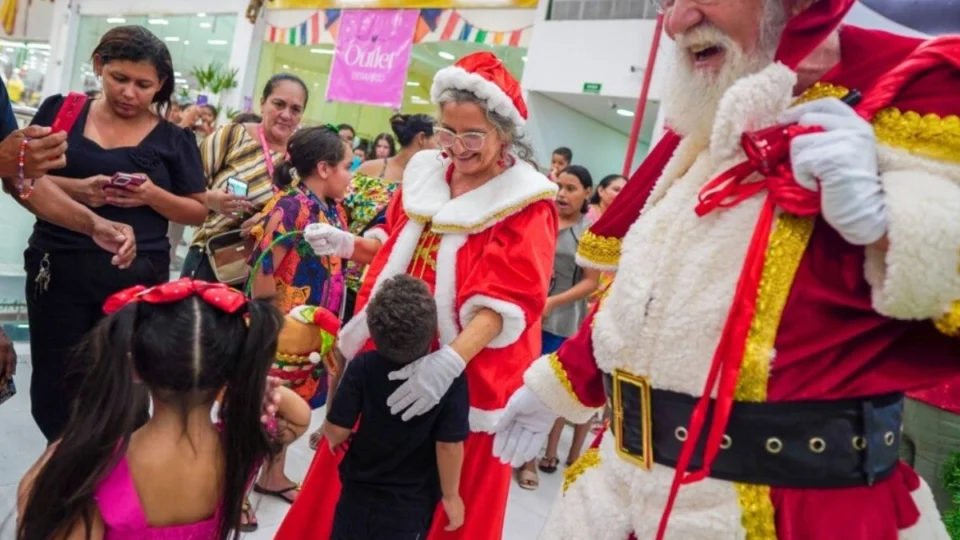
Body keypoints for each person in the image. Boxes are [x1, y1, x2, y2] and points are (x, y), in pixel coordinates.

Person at [493, 0, 960, 538]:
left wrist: (889, 224)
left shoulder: (916, 93)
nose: (677, 20)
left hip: (787, 515)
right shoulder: (707, 128)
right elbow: (652, 294)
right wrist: (563, 383)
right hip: (620, 500)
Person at [277, 51, 558, 540]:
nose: (456, 148)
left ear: (504, 135)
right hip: (389, 345)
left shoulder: (526, 202)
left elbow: (507, 302)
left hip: (467, 369)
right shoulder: (427, 172)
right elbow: (398, 248)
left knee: (449, 484)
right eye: (447, 132)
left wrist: (448, 362)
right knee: (352, 480)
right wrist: (351, 246)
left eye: (472, 136)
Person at [26, 25, 207, 443]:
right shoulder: (62, 112)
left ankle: (110, 483)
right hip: (57, 269)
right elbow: (20, 177)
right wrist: (81, 191)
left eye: (144, 85)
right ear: (98, 67)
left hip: (135, 282)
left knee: (122, 392)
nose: (130, 93)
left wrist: (152, 195)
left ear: (160, 84)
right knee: (55, 388)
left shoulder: (175, 140)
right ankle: (63, 473)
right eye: (119, 79)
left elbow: (197, 209)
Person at [15, 279, 299, 540]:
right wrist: (248, 386)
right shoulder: (243, 446)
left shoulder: (95, 471)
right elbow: (299, 418)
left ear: (135, 367)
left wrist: (60, 458)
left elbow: (34, 514)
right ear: (233, 372)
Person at [246, 125, 352, 519]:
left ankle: (272, 474)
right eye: (346, 165)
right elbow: (263, 266)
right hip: (281, 329)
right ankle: (236, 487)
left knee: (292, 404)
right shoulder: (291, 206)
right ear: (323, 168)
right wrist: (270, 324)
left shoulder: (332, 207)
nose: (350, 173)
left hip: (312, 332)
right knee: (262, 404)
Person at [324, 275, 468, 540]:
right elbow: (449, 445)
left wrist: (335, 436)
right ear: (434, 330)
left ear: (373, 328)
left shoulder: (363, 367)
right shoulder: (450, 381)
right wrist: (451, 495)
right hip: (409, 508)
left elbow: (336, 430)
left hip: (357, 496)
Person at [517, 165, 600, 490]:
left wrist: (551, 302)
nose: (563, 194)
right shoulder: (541, 218)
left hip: (560, 321)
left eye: (572, 188)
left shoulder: (590, 232)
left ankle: (529, 460)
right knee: (516, 384)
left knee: (543, 393)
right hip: (525, 315)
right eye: (560, 186)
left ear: (587, 193)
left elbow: (591, 283)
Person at [182, 73, 308, 281]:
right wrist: (211, 199)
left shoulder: (301, 160)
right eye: (279, 104)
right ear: (262, 103)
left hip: (265, 273)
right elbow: (183, 184)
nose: (286, 115)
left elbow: (306, 214)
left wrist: (270, 219)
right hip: (212, 261)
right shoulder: (232, 136)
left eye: (295, 109)